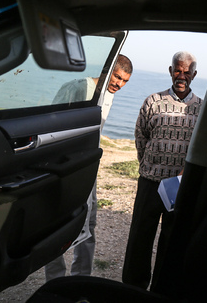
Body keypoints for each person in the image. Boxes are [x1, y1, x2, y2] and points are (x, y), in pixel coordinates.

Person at [44, 54, 133, 282]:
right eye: (117, 77)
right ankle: (56, 280)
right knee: (59, 223)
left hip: (89, 165)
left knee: (89, 222)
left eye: (124, 81)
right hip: (66, 166)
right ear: (108, 69)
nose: (119, 84)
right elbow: (52, 122)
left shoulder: (108, 94)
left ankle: (81, 279)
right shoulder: (79, 88)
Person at [122, 51, 203, 289]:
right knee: (140, 237)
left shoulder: (201, 108)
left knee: (171, 240)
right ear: (170, 71)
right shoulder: (152, 101)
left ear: (194, 75)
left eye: (187, 72)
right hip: (150, 181)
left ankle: (161, 289)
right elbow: (141, 137)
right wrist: (149, 165)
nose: (182, 76)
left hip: (179, 186)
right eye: (178, 70)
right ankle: (132, 287)